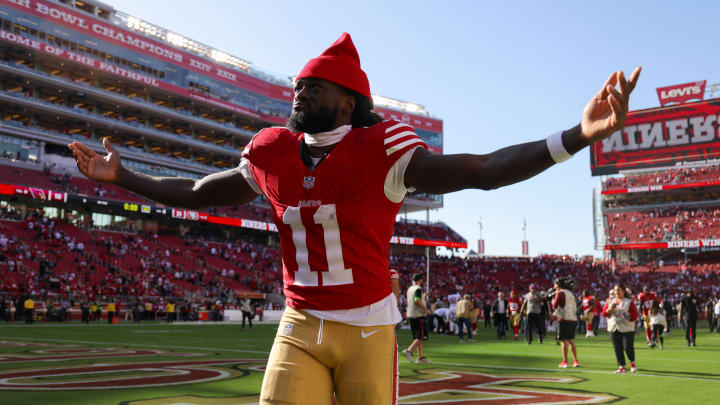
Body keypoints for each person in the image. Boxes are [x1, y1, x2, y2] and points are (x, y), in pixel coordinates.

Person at [67, 31, 640, 404]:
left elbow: (485, 169)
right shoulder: (271, 152)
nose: (297, 92)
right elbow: (199, 192)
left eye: (311, 86)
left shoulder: (382, 150)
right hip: (298, 325)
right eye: (296, 84)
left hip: (368, 329)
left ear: (347, 101)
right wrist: (124, 178)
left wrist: (576, 137)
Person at [602, 284, 639, 374]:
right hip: (613, 327)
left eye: (618, 290)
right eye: (615, 290)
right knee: (617, 348)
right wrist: (609, 309)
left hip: (627, 328)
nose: (616, 292)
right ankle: (621, 366)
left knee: (627, 347)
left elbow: (634, 316)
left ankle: (632, 363)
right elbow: (604, 314)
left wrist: (626, 315)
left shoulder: (629, 302)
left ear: (623, 291)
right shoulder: (610, 301)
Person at [402, 273, 432, 364]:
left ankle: (420, 357)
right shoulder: (418, 289)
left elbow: (415, 298)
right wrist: (426, 310)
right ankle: (409, 351)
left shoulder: (410, 288)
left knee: (419, 337)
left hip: (411, 314)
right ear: (420, 280)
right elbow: (417, 300)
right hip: (418, 315)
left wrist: (424, 296)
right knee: (420, 337)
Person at [551, 278, 579, 368]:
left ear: (558, 285)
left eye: (555, 285)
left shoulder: (560, 293)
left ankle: (565, 361)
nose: (554, 287)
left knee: (563, 340)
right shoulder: (571, 293)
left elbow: (554, 305)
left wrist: (552, 300)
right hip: (573, 318)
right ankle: (575, 360)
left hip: (564, 319)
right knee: (570, 340)